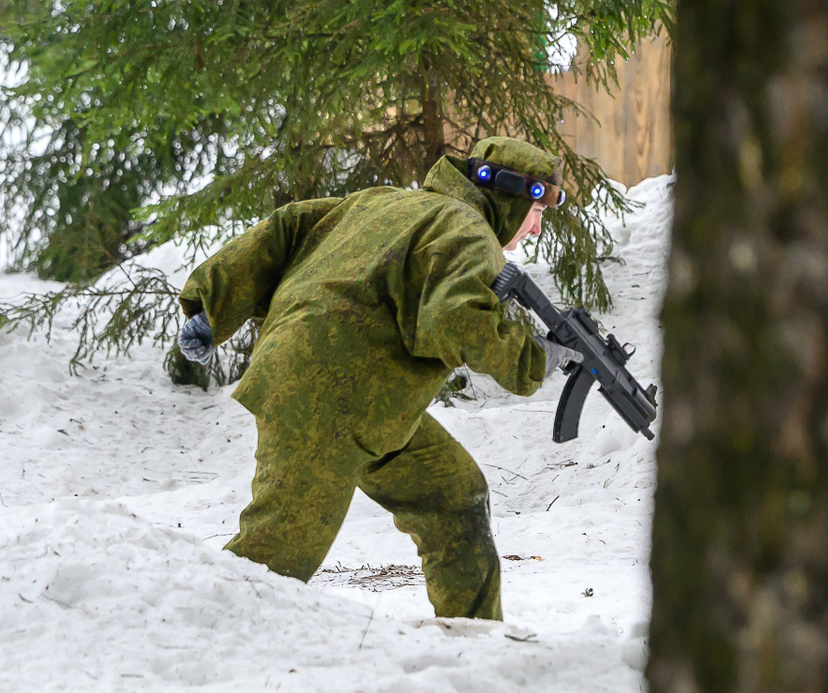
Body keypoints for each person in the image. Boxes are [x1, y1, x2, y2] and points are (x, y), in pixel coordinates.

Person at [175, 136, 566, 619]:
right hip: (329, 397)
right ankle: (191, 628)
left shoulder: (382, 202)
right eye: (537, 211)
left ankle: (476, 641)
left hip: (365, 398)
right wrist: (534, 359)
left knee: (454, 497)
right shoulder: (469, 231)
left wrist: (212, 306)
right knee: (276, 553)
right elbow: (455, 319)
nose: (536, 228)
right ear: (507, 196)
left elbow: (287, 228)